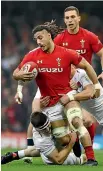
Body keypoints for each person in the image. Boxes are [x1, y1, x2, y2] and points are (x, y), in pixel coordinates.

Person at [13, 21, 100, 165]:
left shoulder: (65, 53)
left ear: (49, 35)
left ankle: (91, 158)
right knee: (63, 139)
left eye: (40, 37)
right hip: (50, 104)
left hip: (67, 97)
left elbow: (86, 65)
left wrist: (96, 84)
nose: (38, 41)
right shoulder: (33, 55)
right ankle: (74, 141)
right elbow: (17, 72)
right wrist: (19, 78)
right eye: (36, 39)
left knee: (78, 122)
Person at [1, 112, 86, 165]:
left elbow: (33, 119)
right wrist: (72, 142)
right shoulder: (40, 139)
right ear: (38, 130)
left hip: (51, 144)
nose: (47, 130)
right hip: (51, 156)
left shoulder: (49, 113)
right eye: (43, 130)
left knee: (40, 149)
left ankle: (14, 155)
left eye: (47, 126)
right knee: (83, 158)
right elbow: (58, 160)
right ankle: (80, 155)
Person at [54, 6, 103, 83]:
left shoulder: (89, 36)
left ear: (79, 18)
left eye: (73, 17)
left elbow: (102, 53)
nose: (70, 20)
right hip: (66, 80)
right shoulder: (58, 39)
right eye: (67, 18)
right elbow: (50, 58)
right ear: (64, 20)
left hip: (87, 79)